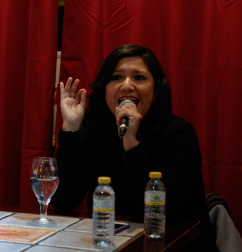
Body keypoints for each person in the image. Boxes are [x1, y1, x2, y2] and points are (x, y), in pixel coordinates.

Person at [51, 44, 218, 251]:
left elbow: (167, 211)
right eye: (117, 77)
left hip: (177, 246)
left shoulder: (178, 133)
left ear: (156, 90)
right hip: (113, 245)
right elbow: (64, 201)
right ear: (105, 89)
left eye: (139, 78)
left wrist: (131, 140)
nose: (127, 85)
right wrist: (71, 129)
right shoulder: (98, 131)